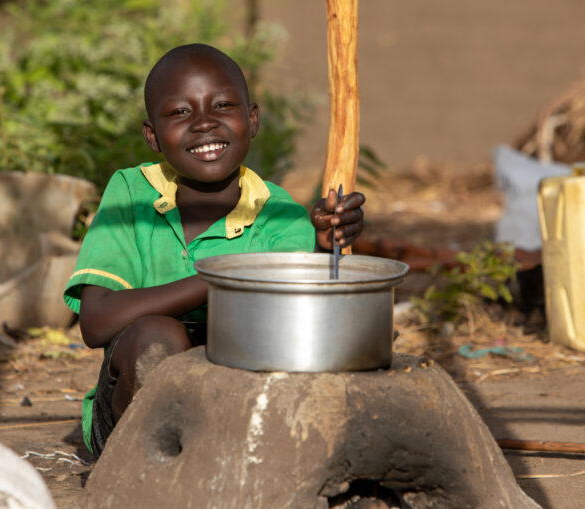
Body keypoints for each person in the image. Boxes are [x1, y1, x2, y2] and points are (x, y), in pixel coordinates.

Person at [63, 43, 365, 457]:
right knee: (158, 338)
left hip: (239, 417)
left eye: (222, 106)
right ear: (152, 136)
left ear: (252, 119)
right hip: (130, 428)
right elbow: (96, 322)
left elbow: (292, 330)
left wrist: (318, 253)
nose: (204, 124)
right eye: (180, 113)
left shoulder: (279, 216)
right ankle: (151, 479)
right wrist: (225, 276)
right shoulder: (131, 195)